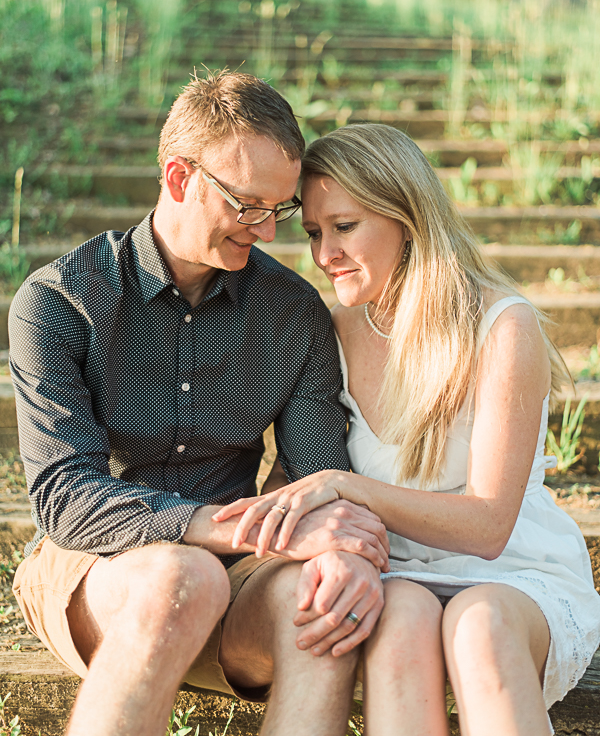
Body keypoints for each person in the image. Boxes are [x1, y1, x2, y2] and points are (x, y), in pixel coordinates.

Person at [8, 74, 390, 736]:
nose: (267, 229)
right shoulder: (60, 302)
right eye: (247, 205)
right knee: (183, 575)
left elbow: (314, 476)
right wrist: (232, 528)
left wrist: (337, 555)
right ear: (179, 176)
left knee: (324, 605)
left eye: (279, 208)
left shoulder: (293, 313)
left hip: (238, 580)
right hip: (94, 568)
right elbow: (68, 499)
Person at [215, 123, 600, 736]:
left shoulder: (502, 326)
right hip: (395, 573)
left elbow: (489, 525)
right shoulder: (331, 332)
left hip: (512, 574)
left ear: (407, 216)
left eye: (344, 227)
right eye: (314, 233)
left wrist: (350, 487)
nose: (323, 254)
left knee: (480, 629)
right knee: (399, 624)